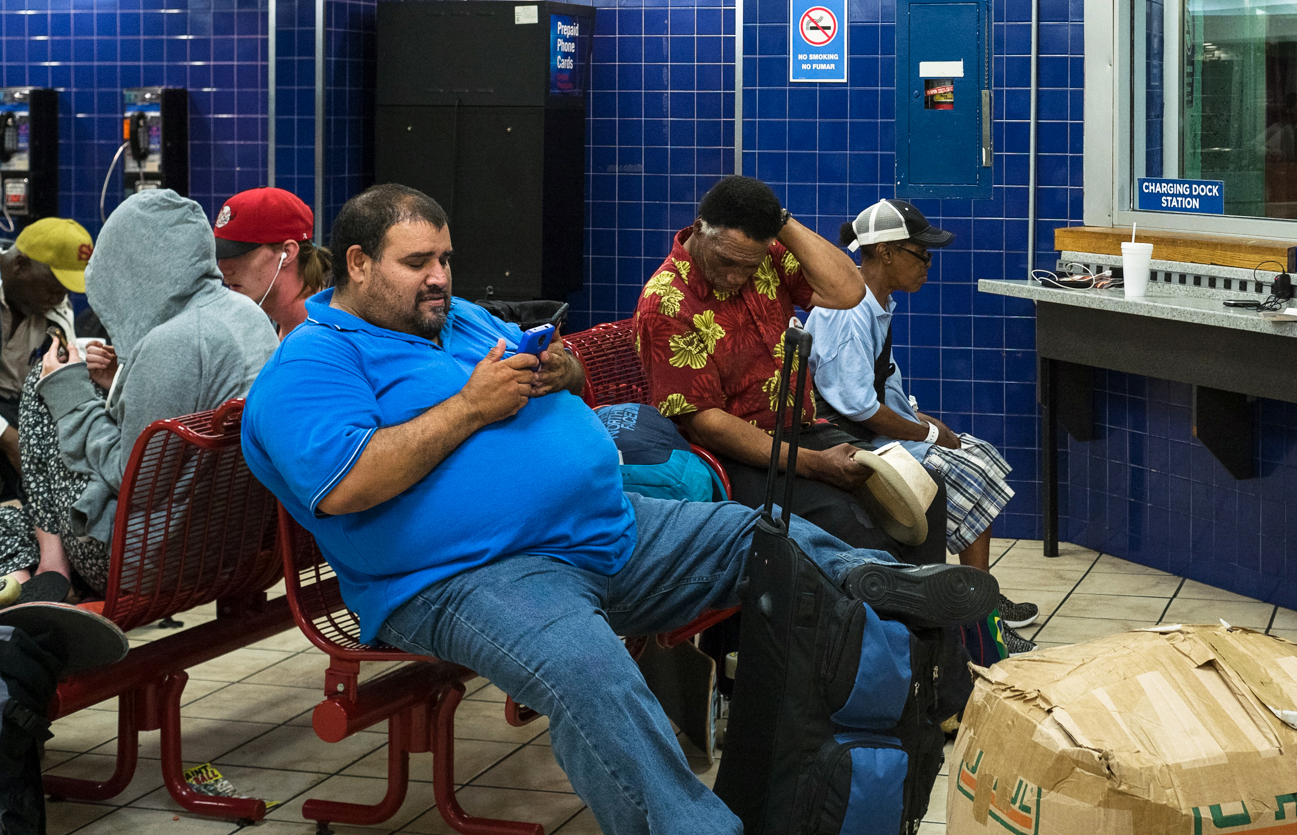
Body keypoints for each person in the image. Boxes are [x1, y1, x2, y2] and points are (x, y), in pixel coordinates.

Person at [243, 183, 996, 835]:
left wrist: (563, 367)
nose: (439, 278)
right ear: (357, 264)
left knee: (759, 538)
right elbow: (346, 485)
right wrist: (470, 409)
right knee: (590, 675)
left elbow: (538, 368)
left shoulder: (458, 318)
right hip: (472, 576)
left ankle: (880, 580)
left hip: (607, 531)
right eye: (418, 265)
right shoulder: (312, 362)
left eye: (445, 259)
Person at [0, 192, 276, 597]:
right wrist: (117, 383)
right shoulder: (247, 316)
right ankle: (48, 558)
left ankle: (52, 563)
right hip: (225, 543)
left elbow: (131, 475)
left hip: (141, 559)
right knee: (0, 526)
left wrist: (68, 388)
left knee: (43, 384)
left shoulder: (175, 341)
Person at [637, 177, 949, 562]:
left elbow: (848, 291)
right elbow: (708, 424)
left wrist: (779, 220)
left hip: (805, 431)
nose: (735, 277)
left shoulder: (767, 256)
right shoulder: (667, 301)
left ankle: (928, 619)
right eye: (726, 261)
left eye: (748, 266)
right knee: (858, 530)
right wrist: (816, 465)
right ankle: (892, 618)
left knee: (925, 490)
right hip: (738, 457)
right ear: (699, 228)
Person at [804, 200, 1037, 637]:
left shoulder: (875, 301)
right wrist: (929, 432)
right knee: (956, 471)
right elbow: (858, 408)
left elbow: (881, 387)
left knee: (979, 454)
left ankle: (979, 592)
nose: (928, 264)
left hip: (873, 429)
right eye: (921, 254)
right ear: (887, 252)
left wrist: (925, 422)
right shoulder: (849, 312)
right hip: (852, 441)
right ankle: (979, 623)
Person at [0, 219, 91, 507]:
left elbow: (64, 360)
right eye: (54, 288)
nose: (60, 298)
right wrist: (6, 437)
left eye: (66, 290)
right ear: (20, 264)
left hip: (18, 405)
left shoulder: (45, 301)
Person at [213, 187, 333, 336]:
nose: (223, 268)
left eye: (239, 254)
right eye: (221, 255)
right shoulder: (282, 327)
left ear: (287, 253)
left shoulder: (327, 337)